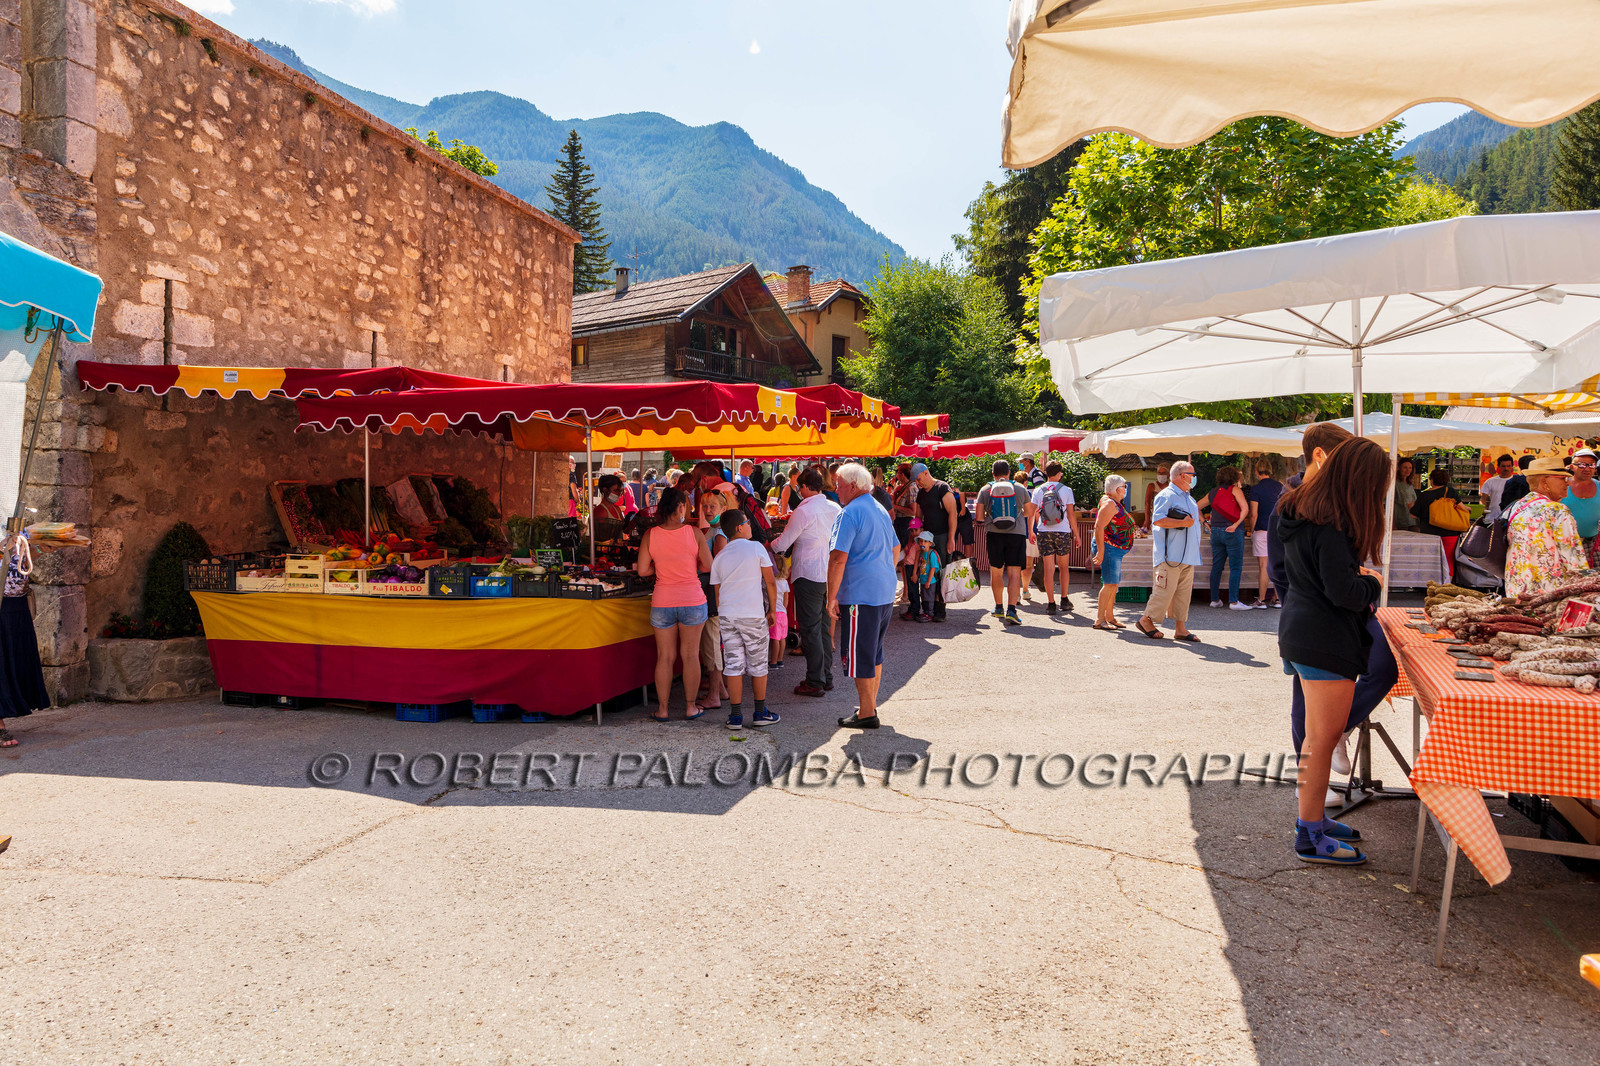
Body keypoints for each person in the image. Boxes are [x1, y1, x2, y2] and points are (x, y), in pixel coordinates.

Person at [1276, 436, 1391, 865]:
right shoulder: (1332, 522)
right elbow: (1344, 592)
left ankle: (1314, 823)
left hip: (1302, 628)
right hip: (1324, 635)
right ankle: (1309, 835)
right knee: (1321, 741)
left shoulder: (1302, 509)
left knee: (1315, 739)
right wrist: (1372, 582)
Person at [827, 462, 900, 729]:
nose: (836, 489)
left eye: (838, 484)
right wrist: (882, 573)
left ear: (852, 486)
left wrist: (830, 596)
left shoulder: (850, 513)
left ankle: (867, 712)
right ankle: (869, 707)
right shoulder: (878, 508)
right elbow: (896, 547)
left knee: (861, 656)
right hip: (882, 591)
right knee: (874, 653)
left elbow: (837, 559)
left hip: (861, 594)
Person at [635, 486, 712, 722]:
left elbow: (642, 570)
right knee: (690, 656)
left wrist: (660, 568)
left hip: (662, 601)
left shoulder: (651, 535)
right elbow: (708, 566)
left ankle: (664, 710)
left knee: (665, 657)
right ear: (680, 507)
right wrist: (692, 567)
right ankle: (690, 707)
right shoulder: (694, 533)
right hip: (692, 599)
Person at [773, 468, 842, 698]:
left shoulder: (804, 510)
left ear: (803, 487)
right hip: (830, 574)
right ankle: (825, 677)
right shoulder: (834, 507)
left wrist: (767, 546)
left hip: (809, 573)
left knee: (811, 629)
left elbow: (783, 543)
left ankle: (815, 680)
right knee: (822, 628)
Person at [709, 509, 780, 730]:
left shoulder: (719, 557)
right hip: (752, 615)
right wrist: (772, 610)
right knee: (758, 665)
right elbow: (770, 582)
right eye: (748, 522)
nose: (750, 525)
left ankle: (736, 716)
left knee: (733, 665)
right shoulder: (756, 548)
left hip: (729, 616)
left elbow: (718, 593)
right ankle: (760, 712)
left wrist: (724, 614)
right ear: (740, 527)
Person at [0, 532, 58, 747]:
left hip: (16, 605)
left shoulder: (12, 522)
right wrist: (4, 546)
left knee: (15, 660)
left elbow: (18, 560)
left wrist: (41, 549)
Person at [1505, 456, 1590, 598]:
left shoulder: (1517, 506)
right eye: (1562, 478)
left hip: (1516, 590)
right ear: (1545, 481)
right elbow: (1574, 558)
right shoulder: (1557, 510)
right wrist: (1586, 588)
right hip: (1548, 595)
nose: (1567, 483)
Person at [1137, 460, 1201, 641]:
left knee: (1183, 593)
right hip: (1170, 554)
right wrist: (1182, 523)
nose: (1194, 478)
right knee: (1164, 590)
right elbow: (1157, 520)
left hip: (1186, 554)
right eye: (1193, 475)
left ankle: (1180, 628)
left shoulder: (1188, 496)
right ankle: (1146, 619)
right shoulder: (1167, 495)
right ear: (1183, 476)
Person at [978, 460, 1034, 626]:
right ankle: (1012, 610)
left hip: (994, 534)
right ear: (1009, 473)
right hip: (1016, 534)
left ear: (993, 474)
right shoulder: (1020, 488)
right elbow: (1029, 512)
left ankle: (998, 607)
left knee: (996, 572)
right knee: (1014, 572)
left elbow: (980, 517)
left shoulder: (985, 490)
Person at [695, 486, 732, 712]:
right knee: (712, 642)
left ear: (724, 508)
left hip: (712, 593)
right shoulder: (713, 530)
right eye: (705, 506)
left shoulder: (719, 535)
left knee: (711, 644)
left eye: (713, 507)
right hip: (711, 593)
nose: (708, 510)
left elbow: (717, 569)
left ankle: (713, 696)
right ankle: (721, 690)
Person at [1031, 461, 1079, 615]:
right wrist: (1076, 535)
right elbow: (1071, 514)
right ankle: (1064, 600)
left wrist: (1031, 531)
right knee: (1064, 567)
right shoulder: (1067, 490)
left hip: (1044, 532)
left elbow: (1032, 512)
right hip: (1063, 532)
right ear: (1059, 474)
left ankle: (1051, 603)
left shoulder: (1038, 490)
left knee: (1048, 569)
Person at [913, 463, 959, 621]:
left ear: (926, 473)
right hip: (927, 539)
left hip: (942, 536)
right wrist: (915, 539)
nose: (918, 483)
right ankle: (928, 608)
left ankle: (941, 609)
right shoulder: (921, 493)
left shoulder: (942, 488)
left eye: (919, 479)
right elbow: (918, 518)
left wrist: (951, 538)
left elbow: (953, 514)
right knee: (927, 571)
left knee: (942, 572)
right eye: (916, 481)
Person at [1202, 465, 1252, 610]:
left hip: (1215, 531)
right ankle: (1234, 601)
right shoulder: (1235, 490)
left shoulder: (1213, 492)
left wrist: (1205, 522)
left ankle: (1214, 600)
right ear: (1234, 477)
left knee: (1216, 567)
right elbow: (1245, 509)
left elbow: (1195, 506)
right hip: (1232, 530)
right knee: (1235, 567)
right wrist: (1236, 524)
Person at [1091, 474, 1135, 631]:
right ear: (1117, 489)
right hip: (1109, 548)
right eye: (1124, 487)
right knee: (1109, 584)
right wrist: (1101, 552)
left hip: (1113, 548)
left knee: (1112, 584)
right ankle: (1100, 620)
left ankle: (1109, 617)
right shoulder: (1110, 504)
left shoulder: (1112, 502)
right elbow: (1098, 527)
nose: (1125, 490)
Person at [1411, 467, 1470, 578]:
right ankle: (1447, 583)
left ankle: (1430, 583)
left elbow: (1413, 514)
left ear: (1431, 480)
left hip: (1429, 534)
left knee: (1430, 561)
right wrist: (1468, 509)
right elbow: (1462, 508)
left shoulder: (1423, 495)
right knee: (1448, 559)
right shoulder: (1450, 491)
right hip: (1450, 533)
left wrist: (1411, 506)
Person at [1248, 462, 1284, 608]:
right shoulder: (1280, 486)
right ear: (1270, 471)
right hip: (1278, 530)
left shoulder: (1256, 489)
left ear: (1257, 472)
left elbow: (1253, 514)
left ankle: (1261, 600)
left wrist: (1252, 530)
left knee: (1263, 566)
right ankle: (1277, 599)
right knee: (1277, 564)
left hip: (1262, 530)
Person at [1563, 447, 1600, 566]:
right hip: (1569, 544)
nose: (1587, 469)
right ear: (1572, 466)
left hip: (1596, 543)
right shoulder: (1562, 486)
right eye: (1582, 465)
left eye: (1591, 465)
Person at [769, 554, 791, 670]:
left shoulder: (771, 582)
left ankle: (773, 662)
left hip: (775, 612)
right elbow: (786, 601)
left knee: (774, 639)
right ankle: (780, 660)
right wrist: (784, 609)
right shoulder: (784, 582)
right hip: (783, 613)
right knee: (782, 638)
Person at [1480, 453, 1516, 521]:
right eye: (1503, 466)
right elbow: (1483, 499)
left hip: (1511, 518)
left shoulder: (1517, 481)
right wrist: (1484, 509)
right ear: (1498, 466)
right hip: (1492, 518)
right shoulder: (1490, 481)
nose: (1506, 468)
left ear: (1512, 466)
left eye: (1508, 466)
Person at [915, 530, 941, 623]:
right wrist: (917, 575)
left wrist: (928, 581)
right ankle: (925, 612)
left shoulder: (931, 554)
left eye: (925, 541)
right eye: (921, 541)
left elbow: (933, 568)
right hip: (923, 580)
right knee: (924, 597)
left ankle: (930, 614)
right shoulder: (922, 553)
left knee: (929, 597)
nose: (922, 543)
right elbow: (921, 566)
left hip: (930, 581)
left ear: (930, 543)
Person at [900, 528, 925, 621]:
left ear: (921, 530)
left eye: (915, 530)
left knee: (913, 589)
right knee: (911, 589)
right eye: (911, 531)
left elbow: (917, 560)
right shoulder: (914, 542)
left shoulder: (919, 545)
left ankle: (915, 610)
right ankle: (911, 608)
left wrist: (915, 573)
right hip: (908, 566)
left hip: (912, 568)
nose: (913, 533)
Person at [1392, 457, 1419, 533]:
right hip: (1400, 521)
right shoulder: (1394, 483)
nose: (1408, 470)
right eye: (1405, 467)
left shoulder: (1410, 484)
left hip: (1413, 520)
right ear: (1399, 468)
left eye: (1410, 468)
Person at [1143, 463, 1170, 531]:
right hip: (1155, 518)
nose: (1161, 475)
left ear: (1168, 475)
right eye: (1159, 473)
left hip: (1169, 518)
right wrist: (1147, 520)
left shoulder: (1171, 487)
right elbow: (1147, 503)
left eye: (1163, 473)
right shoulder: (1152, 486)